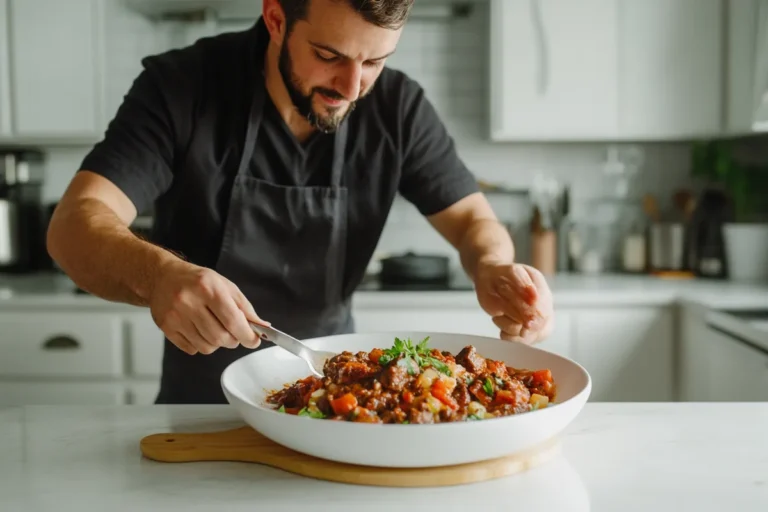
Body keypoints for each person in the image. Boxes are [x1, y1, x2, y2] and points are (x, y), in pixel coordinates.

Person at [46, 0, 554, 404]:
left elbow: (471, 219)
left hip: (341, 399)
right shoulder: (182, 88)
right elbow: (74, 224)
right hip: (198, 407)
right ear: (275, 18)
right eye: (330, 55)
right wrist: (159, 275)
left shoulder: (399, 107)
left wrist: (494, 267)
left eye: (375, 61)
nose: (352, 88)